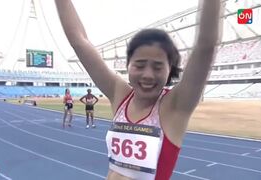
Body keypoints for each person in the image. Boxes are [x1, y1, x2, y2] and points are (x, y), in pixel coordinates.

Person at [54, 0, 222, 179]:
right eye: (140, 65)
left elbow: (206, 46)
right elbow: (79, 41)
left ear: (169, 69)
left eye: (157, 67)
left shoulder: (174, 107)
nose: (148, 75)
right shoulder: (120, 94)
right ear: (128, 66)